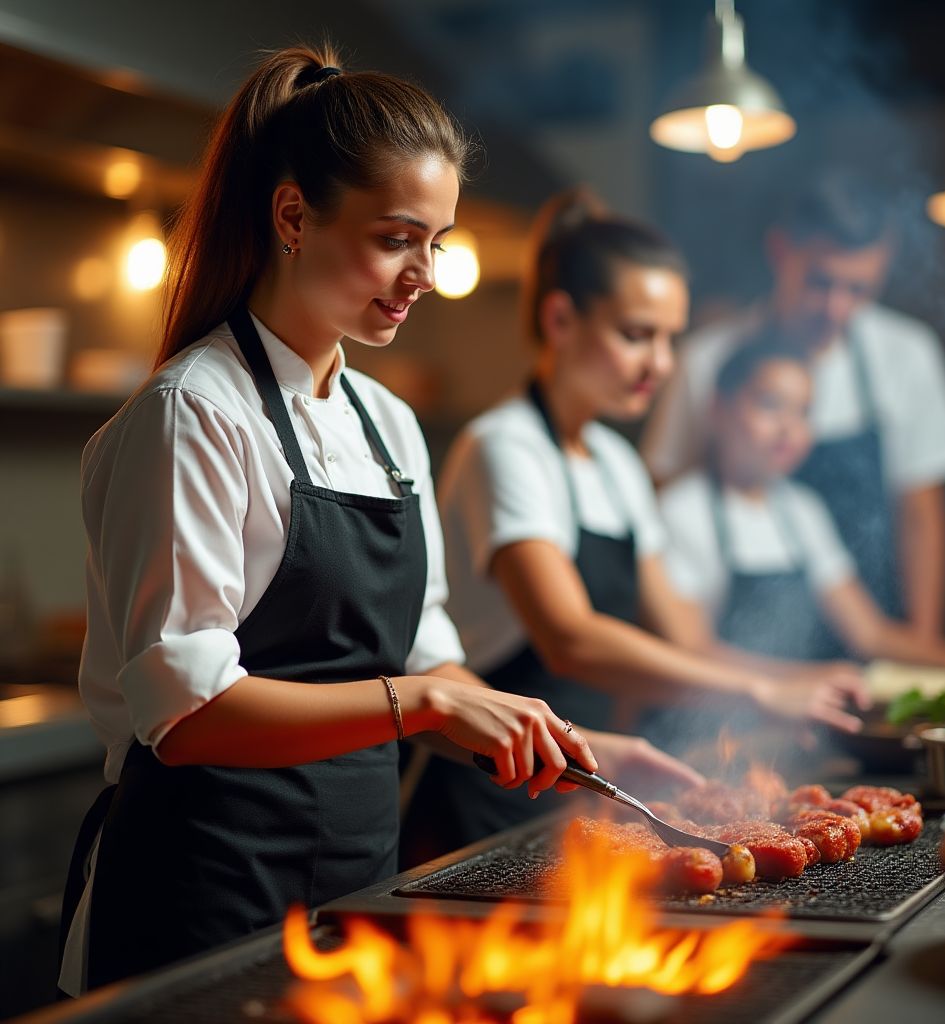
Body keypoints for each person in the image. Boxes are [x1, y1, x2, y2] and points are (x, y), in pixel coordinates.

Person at [57, 45, 604, 996]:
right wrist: (423, 704)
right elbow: (186, 714)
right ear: (293, 215)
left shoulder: (388, 424)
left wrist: (551, 736)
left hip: (358, 887)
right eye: (398, 238)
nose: (424, 272)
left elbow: (427, 652)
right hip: (200, 896)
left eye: (438, 241)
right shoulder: (195, 414)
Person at [403, 189, 868, 862]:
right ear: (560, 319)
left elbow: (685, 636)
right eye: (636, 335)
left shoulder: (619, 464)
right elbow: (572, 641)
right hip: (481, 796)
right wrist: (763, 693)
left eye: (671, 338)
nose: (662, 363)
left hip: (575, 785)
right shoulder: (504, 447)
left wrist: (802, 685)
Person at [642, 172, 945, 642]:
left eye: (859, 290)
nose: (836, 310)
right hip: (732, 657)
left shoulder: (906, 353)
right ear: (780, 251)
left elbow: (920, 516)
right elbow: (659, 517)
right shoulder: (705, 361)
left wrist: (918, 657)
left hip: (869, 632)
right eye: (820, 282)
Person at [658, 336, 945, 670]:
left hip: (798, 713)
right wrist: (806, 683)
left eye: (803, 412)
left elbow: (871, 635)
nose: (788, 428)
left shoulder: (802, 511)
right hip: (708, 717)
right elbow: (690, 649)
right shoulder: (681, 512)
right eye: (769, 405)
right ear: (718, 410)